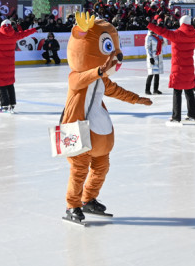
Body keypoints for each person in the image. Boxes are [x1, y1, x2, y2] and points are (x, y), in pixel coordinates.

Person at [61, 12, 152, 224]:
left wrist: (137, 99)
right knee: (79, 170)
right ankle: (72, 205)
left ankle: (89, 199)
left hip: (97, 131)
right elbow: (81, 79)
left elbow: (117, 91)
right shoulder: (75, 77)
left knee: (101, 167)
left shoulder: (103, 81)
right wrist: (98, 71)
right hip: (75, 129)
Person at [148, 15, 195, 125]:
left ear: (181, 23)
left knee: (177, 92)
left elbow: (161, 31)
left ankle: (176, 117)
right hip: (189, 69)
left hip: (178, 69)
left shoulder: (176, 35)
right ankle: (192, 115)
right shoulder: (194, 34)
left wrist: (149, 25)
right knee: (189, 92)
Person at [144, 29, 163, 95]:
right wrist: (150, 57)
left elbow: (164, 44)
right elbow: (147, 48)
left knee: (157, 74)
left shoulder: (158, 36)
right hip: (152, 57)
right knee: (151, 73)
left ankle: (155, 90)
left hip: (158, 57)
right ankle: (147, 90)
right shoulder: (149, 37)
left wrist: (162, 37)